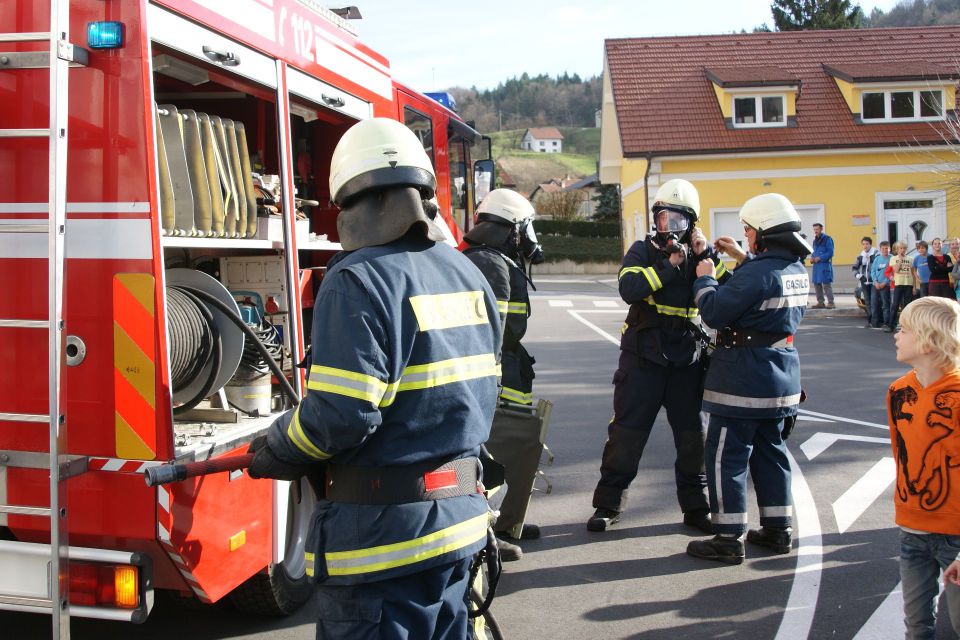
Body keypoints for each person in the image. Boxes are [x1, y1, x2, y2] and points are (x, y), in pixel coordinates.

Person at [246, 118, 502, 639]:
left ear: (347, 197)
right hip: (459, 528)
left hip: (385, 546)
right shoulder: (467, 273)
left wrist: (279, 445)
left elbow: (339, 417)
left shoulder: (357, 279)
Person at [586, 178, 729, 535]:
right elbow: (628, 288)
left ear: (692, 222)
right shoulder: (643, 251)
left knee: (692, 437)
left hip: (686, 363)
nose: (669, 228)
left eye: (678, 220)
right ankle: (608, 504)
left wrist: (707, 257)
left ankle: (696, 508)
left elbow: (729, 296)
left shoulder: (703, 256)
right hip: (643, 361)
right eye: (663, 219)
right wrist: (668, 265)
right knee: (626, 434)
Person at [686, 193, 811, 564]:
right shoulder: (795, 270)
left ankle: (727, 538)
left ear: (763, 234)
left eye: (749, 231)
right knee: (772, 453)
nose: (746, 236)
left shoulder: (758, 272)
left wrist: (705, 279)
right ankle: (777, 530)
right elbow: (763, 285)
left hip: (742, 379)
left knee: (727, 458)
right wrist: (742, 258)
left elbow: (714, 311)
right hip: (780, 378)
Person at [462, 188, 545, 560]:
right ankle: (484, 535)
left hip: (506, 372)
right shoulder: (490, 264)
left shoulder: (492, 260)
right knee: (487, 456)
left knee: (508, 452)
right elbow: (498, 332)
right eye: (527, 230)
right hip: (493, 378)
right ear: (513, 229)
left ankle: (504, 523)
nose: (530, 239)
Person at [887, 297, 960, 640]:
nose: (896, 335)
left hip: (956, 536)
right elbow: (902, 455)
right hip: (912, 529)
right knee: (917, 626)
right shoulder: (899, 391)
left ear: (929, 341)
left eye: (904, 329)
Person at [852, 237, 880, 327]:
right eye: (863, 244)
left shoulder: (876, 254)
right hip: (864, 281)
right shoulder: (861, 256)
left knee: (874, 301)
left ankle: (876, 321)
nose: (865, 246)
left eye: (867, 244)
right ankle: (870, 321)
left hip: (874, 281)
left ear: (870, 244)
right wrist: (859, 276)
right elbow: (854, 268)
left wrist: (876, 277)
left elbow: (878, 267)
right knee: (867, 302)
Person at [888, 241, 915, 332]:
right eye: (900, 248)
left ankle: (906, 326)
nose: (902, 250)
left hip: (908, 284)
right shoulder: (893, 259)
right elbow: (895, 270)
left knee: (907, 306)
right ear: (897, 249)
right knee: (895, 305)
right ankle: (891, 325)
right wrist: (900, 260)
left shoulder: (911, 259)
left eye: (904, 248)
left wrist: (914, 287)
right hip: (898, 284)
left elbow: (913, 273)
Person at [809, 222, 835, 309]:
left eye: (817, 229)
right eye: (814, 229)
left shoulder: (828, 239)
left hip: (824, 265)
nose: (815, 231)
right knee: (817, 283)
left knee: (826, 284)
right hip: (816, 266)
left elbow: (830, 252)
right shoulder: (815, 240)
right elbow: (814, 252)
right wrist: (812, 258)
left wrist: (819, 258)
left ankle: (831, 302)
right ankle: (820, 302)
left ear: (821, 229)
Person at [870, 241, 892, 330]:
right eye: (883, 248)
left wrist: (885, 282)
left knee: (886, 305)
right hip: (876, 285)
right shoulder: (877, 259)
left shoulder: (892, 258)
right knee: (874, 304)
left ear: (889, 249)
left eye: (886, 248)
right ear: (880, 249)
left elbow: (891, 272)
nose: (885, 250)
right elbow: (873, 271)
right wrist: (875, 282)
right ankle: (875, 322)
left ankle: (886, 322)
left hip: (886, 285)